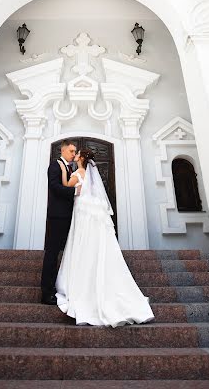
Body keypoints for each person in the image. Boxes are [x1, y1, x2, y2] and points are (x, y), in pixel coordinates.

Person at [55, 148, 155, 327]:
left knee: (81, 243)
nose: (75, 155)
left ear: (82, 158)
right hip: (94, 213)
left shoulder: (78, 172)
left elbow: (66, 185)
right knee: (95, 244)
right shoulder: (92, 176)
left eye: (77, 154)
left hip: (83, 214)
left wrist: (64, 171)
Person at [40, 139, 80, 305]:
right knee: (52, 253)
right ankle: (46, 292)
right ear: (63, 151)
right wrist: (75, 191)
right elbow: (54, 186)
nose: (73, 154)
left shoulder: (72, 168)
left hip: (70, 216)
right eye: (71, 151)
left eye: (74, 151)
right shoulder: (55, 166)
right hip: (57, 217)